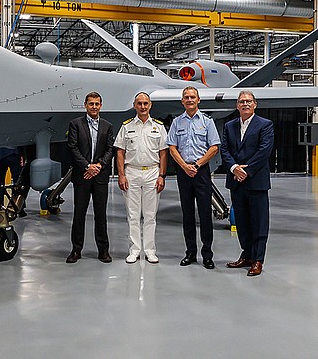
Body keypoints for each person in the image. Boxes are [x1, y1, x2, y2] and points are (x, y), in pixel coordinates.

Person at [220, 90, 274, 277]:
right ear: (237, 105)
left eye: (248, 101)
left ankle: (258, 260)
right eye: (242, 101)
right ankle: (247, 255)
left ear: (255, 104)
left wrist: (246, 170)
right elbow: (224, 150)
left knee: (259, 222)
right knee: (242, 223)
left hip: (256, 182)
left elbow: (264, 151)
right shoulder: (229, 126)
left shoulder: (265, 125)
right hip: (236, 182)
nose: (245, 104)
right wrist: (234, 168)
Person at [167, 86, 220, 269]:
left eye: (192, 97)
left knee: (205, 214)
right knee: (187, 214)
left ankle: (207, 254)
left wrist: (196, 165)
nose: (189, 100)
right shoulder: (176, 122)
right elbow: (172, 147)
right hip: (184, 172)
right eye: (186, 97)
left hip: (201, 172)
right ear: (182, 101)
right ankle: (190, 252)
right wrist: (184, 166)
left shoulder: (207, 122)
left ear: (198, 100)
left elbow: (214, 147)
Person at [114, 92, 168, 264]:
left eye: (146, 103)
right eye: (139, 103)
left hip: (153, 172)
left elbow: (163, 153)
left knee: (150, 215)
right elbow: (120, 151)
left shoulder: (158, 127)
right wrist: (121, 175)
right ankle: (134, 250)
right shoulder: (127, 126)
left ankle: (150, 250)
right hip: (132, 173)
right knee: (133, 215)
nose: (143, 106)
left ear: (150, 105)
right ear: (135, 105)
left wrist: (161, 175)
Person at [66, 91, 115, 264]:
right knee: (79, 214)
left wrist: (99, 166)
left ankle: (103, 251)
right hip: (83, 176)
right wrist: (87, 166)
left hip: (100, 177)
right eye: (91, 104)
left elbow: (110, 149)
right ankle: (76, 250)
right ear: (85, 105)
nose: (94, 107)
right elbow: (72, 148)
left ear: (101, 105)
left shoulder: (107, 126)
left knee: (100, 215)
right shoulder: (75, 124)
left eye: (97, 104)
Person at [0, 147, 26, 216]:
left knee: (0, 183)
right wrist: (22, 154)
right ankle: (19, 208)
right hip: (13, 154)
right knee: (17, 182)